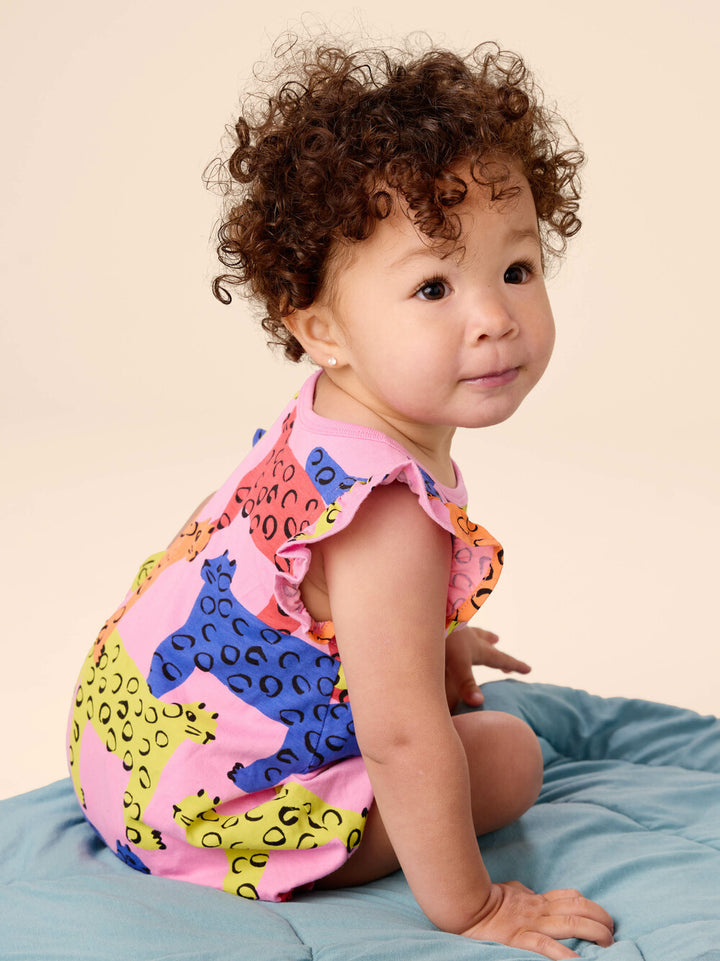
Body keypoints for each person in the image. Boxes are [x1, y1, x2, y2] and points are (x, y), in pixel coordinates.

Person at [67, 36, 614, 960]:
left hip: (120, 752)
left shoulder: (325, 419)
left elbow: (277, 579)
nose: (493, 317)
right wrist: (476, 909)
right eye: (433, 286)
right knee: (510, 755)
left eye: (516, 270)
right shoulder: (385, 512)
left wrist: (422, 634)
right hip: (203, 821)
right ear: (323, 327)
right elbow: (401, 739)